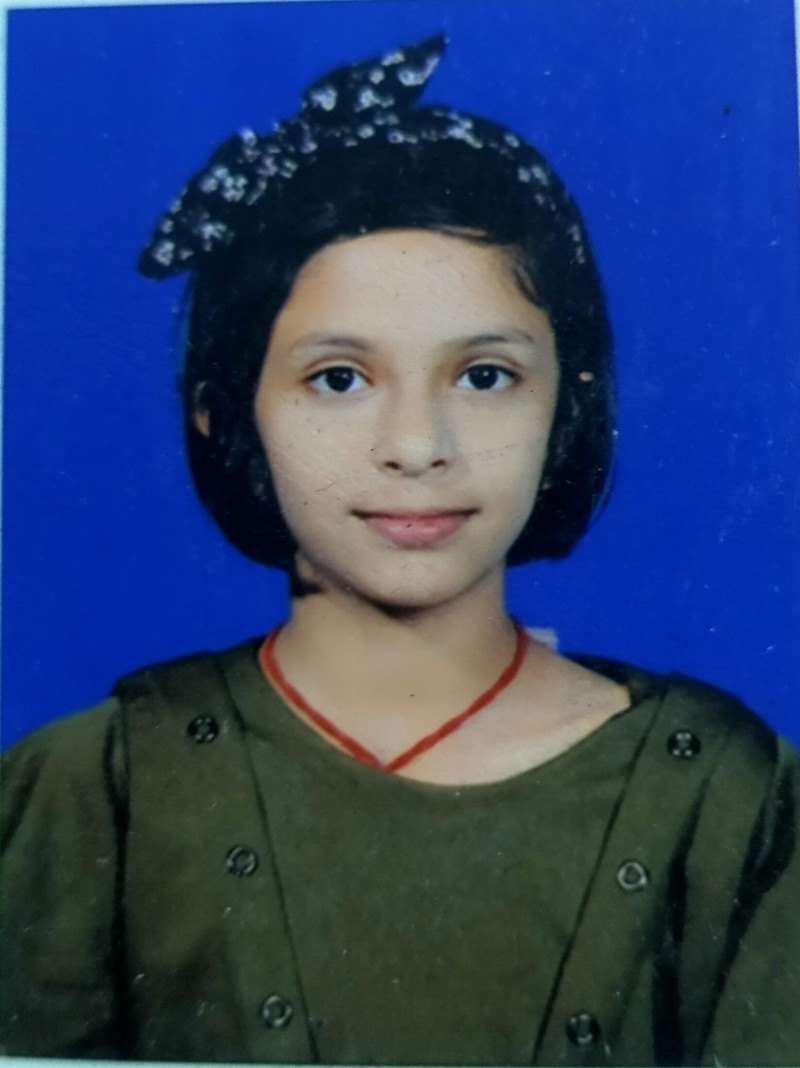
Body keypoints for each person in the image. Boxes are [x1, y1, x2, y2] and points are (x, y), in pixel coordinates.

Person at [2, 35, 799, 1066]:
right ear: (223, 410)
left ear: (567, 403)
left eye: (484, 376)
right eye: (338, 378)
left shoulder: (729, 794)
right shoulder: (89, 787)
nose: (417, 446)